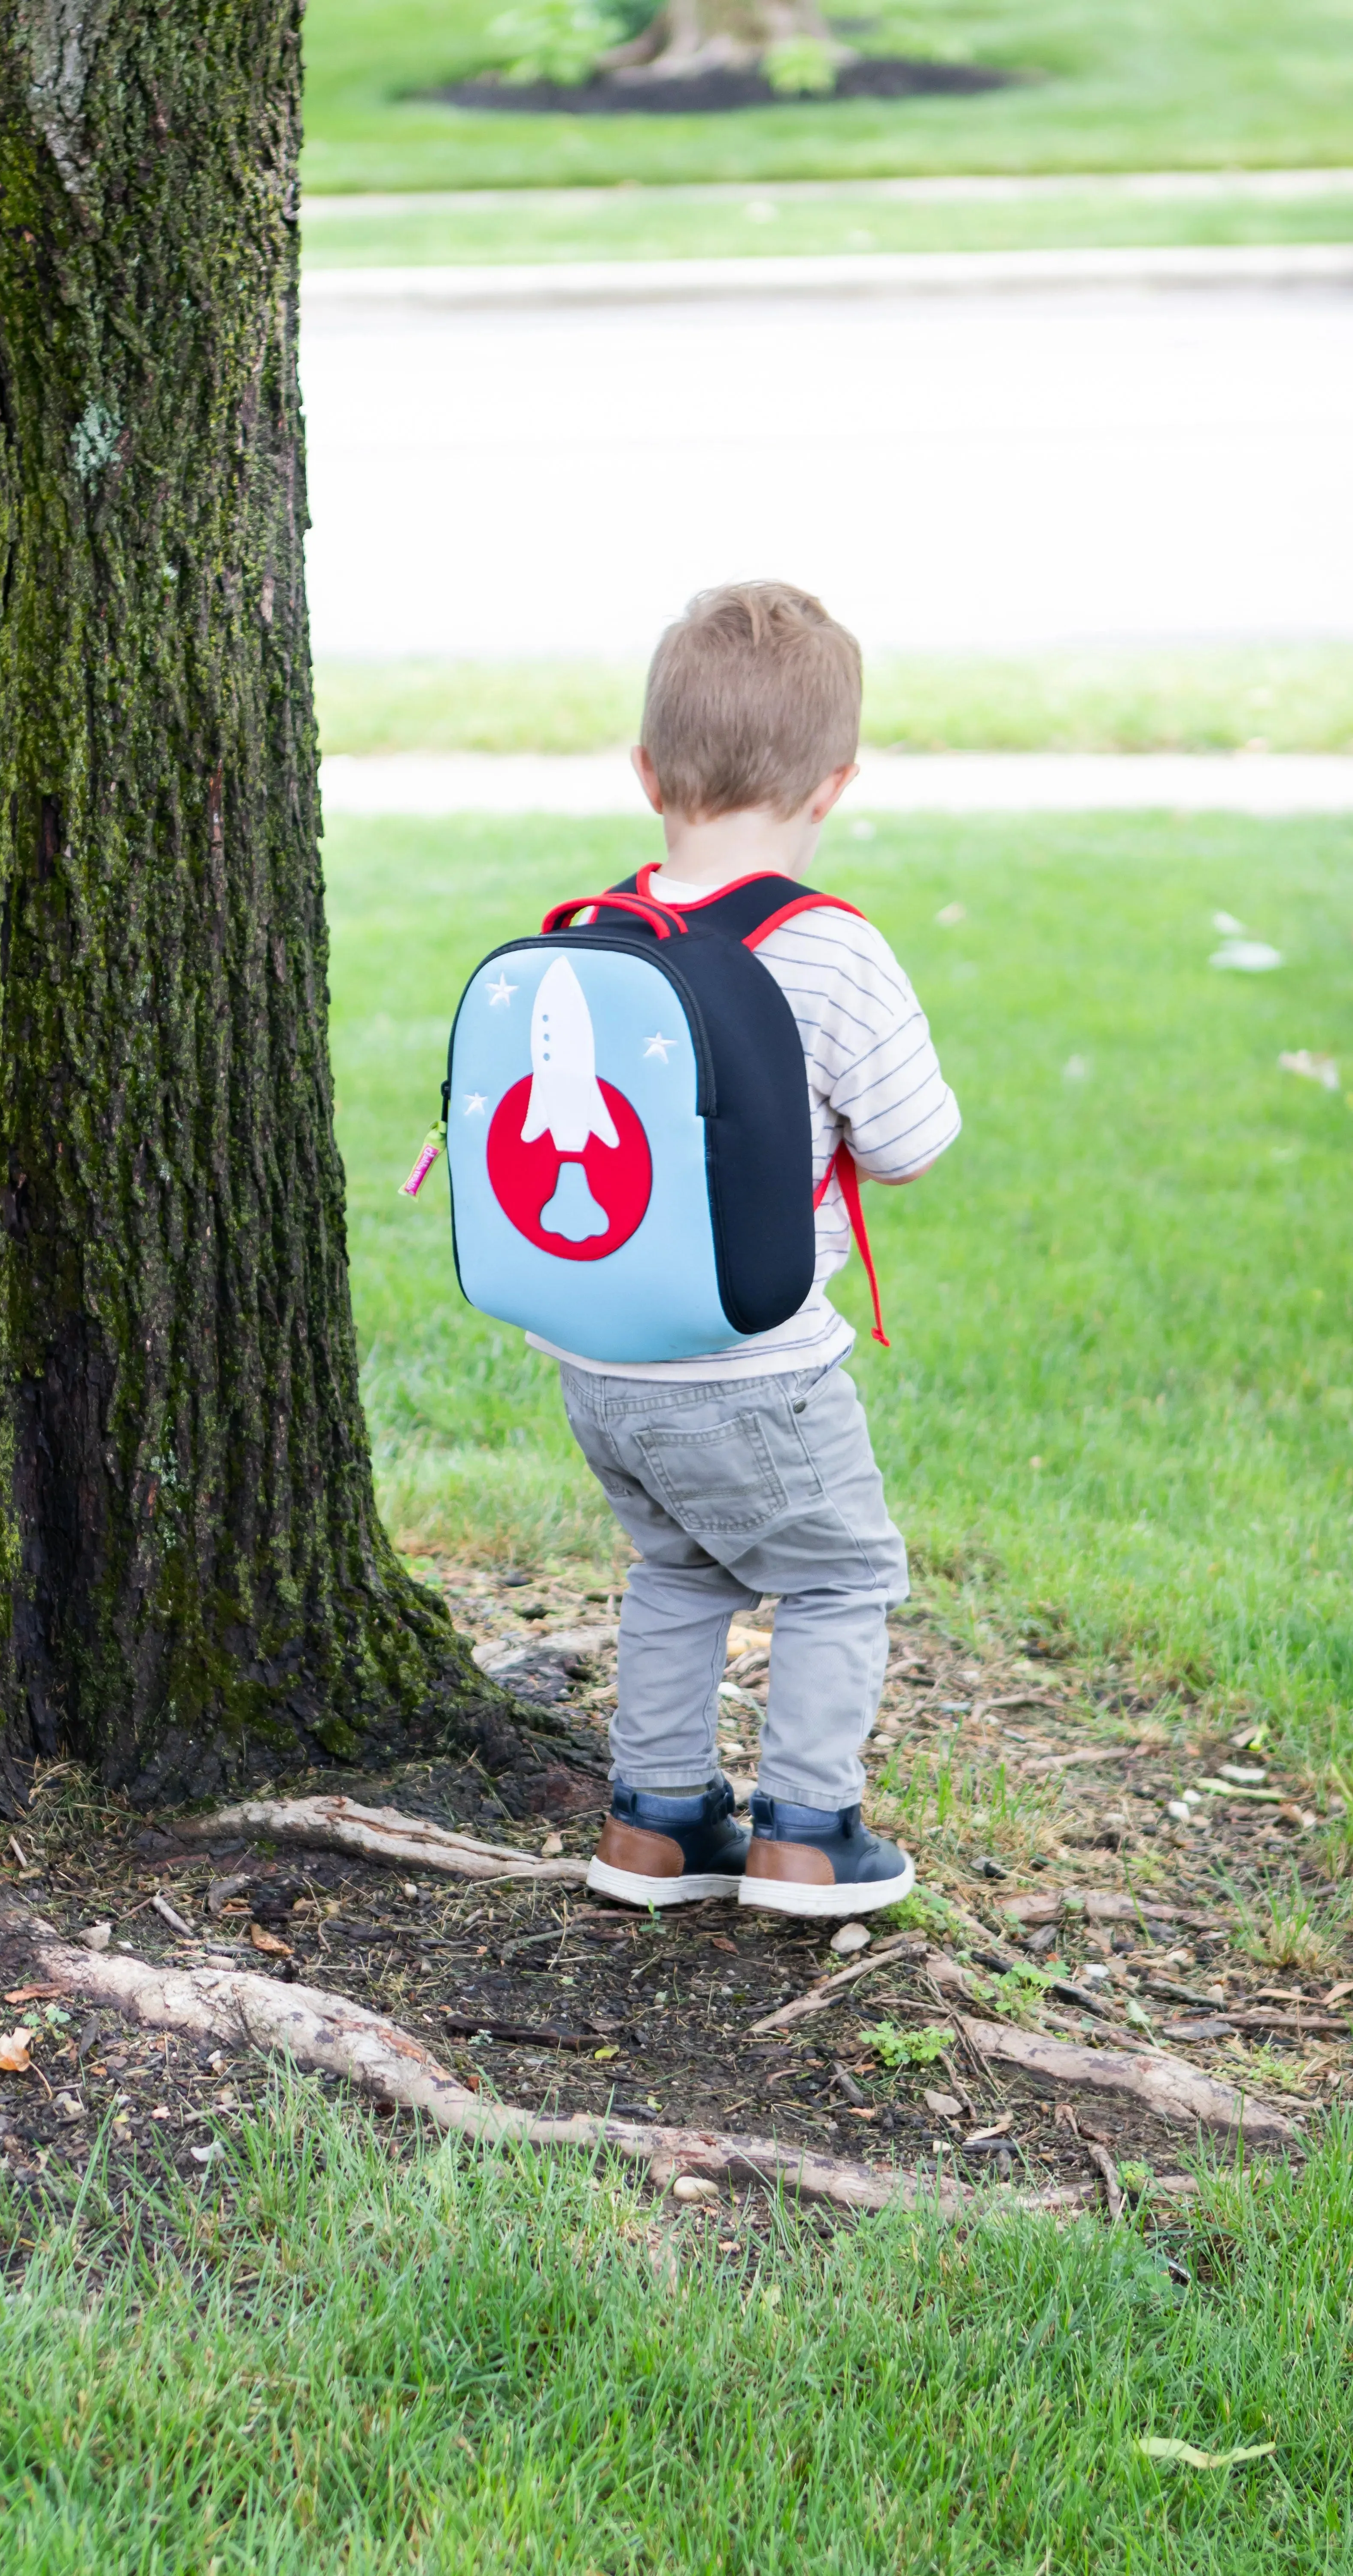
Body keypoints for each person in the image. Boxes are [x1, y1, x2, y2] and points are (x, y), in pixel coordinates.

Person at [535, 580, 961, 1916]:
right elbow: (909, 1140)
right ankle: (807, 1836)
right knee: (840, 1573)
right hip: (754, 1364)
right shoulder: (831, 951)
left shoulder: (591, 936)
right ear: (834, 783)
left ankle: (656, 1826)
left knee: (681, 1570)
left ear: (649, 770)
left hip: (599, 1356)